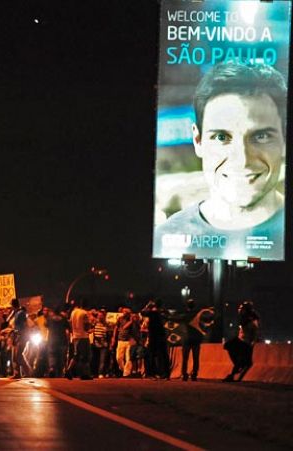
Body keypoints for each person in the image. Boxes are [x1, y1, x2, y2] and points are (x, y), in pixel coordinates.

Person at [155, 62, 287, 260]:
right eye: (221, 137)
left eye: (261, 136)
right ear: (198, 141)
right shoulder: (164, 238)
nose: (242, 160)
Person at [224, 301, 260, 382]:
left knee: (244, 361)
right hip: (242, 340)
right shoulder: (246, 318)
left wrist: (252, 343)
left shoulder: (251, 320)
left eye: (241, 308)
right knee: (229, 347)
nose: (239, 310)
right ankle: (235, 372)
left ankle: (234, 373)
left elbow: (255, 332)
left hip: (245, 342)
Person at [142, 299, 170, 380]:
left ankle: (152, 374)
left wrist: (147, 305)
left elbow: (142, 312)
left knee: (152, 355)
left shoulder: (152, 313)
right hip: (162, 336)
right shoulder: (163, 312)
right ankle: (166, 374)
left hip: (153, 336)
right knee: (164, 355)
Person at [66, 299, 93, 380]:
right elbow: (86, 326)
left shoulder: (73, 312)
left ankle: (68, 370)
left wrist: (74, 332)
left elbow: (70, 323)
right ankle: (84, 374)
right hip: (83, 337)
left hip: (75, 337)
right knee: (85, 356)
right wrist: (90, 328)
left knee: (76, 355)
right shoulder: (84, 313)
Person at [180, 299, 204, 381]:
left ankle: (184, 374)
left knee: (185, 358)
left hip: (187, 338)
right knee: (196, 358)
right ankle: (194, 374)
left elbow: (174, 318)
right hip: (196, 339)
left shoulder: (185, 315)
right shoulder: (198, 315)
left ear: (187, 305)